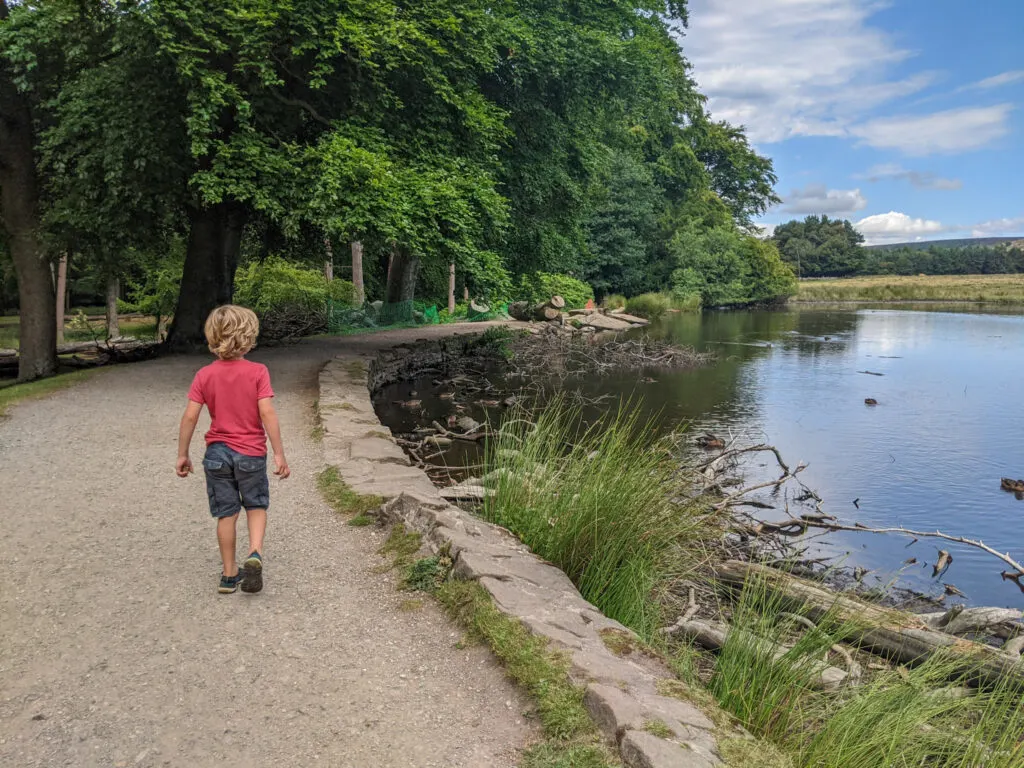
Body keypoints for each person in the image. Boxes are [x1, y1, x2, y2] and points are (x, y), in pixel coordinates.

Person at [175, 305, 290, 594]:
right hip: (250, 453)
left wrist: (183, 453)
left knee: (226, 513)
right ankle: (254, 553)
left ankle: (229, 574)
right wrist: (278, 453)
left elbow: (190, 416)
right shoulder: (257, 372)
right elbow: (267, 413)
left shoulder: (204, 375)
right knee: (256, 504)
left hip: (216, 454)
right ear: (249, 337)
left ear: (212, 337)